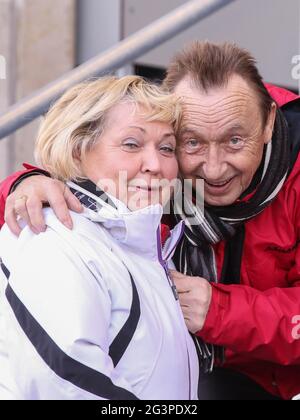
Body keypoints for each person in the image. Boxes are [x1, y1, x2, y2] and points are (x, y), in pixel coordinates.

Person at [1, 41, 300, 400]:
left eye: (235, 140)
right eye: (191, 143)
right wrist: (25, 183)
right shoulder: (144, 190)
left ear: (268, 122)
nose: (215, 168)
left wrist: (220, 311)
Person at [0, 75, 200, 400]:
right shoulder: (55, 237)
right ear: (78, 149)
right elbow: (69, 385)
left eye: (166, 148)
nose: (155, 165)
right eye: (132, 144)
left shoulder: (141, 248)